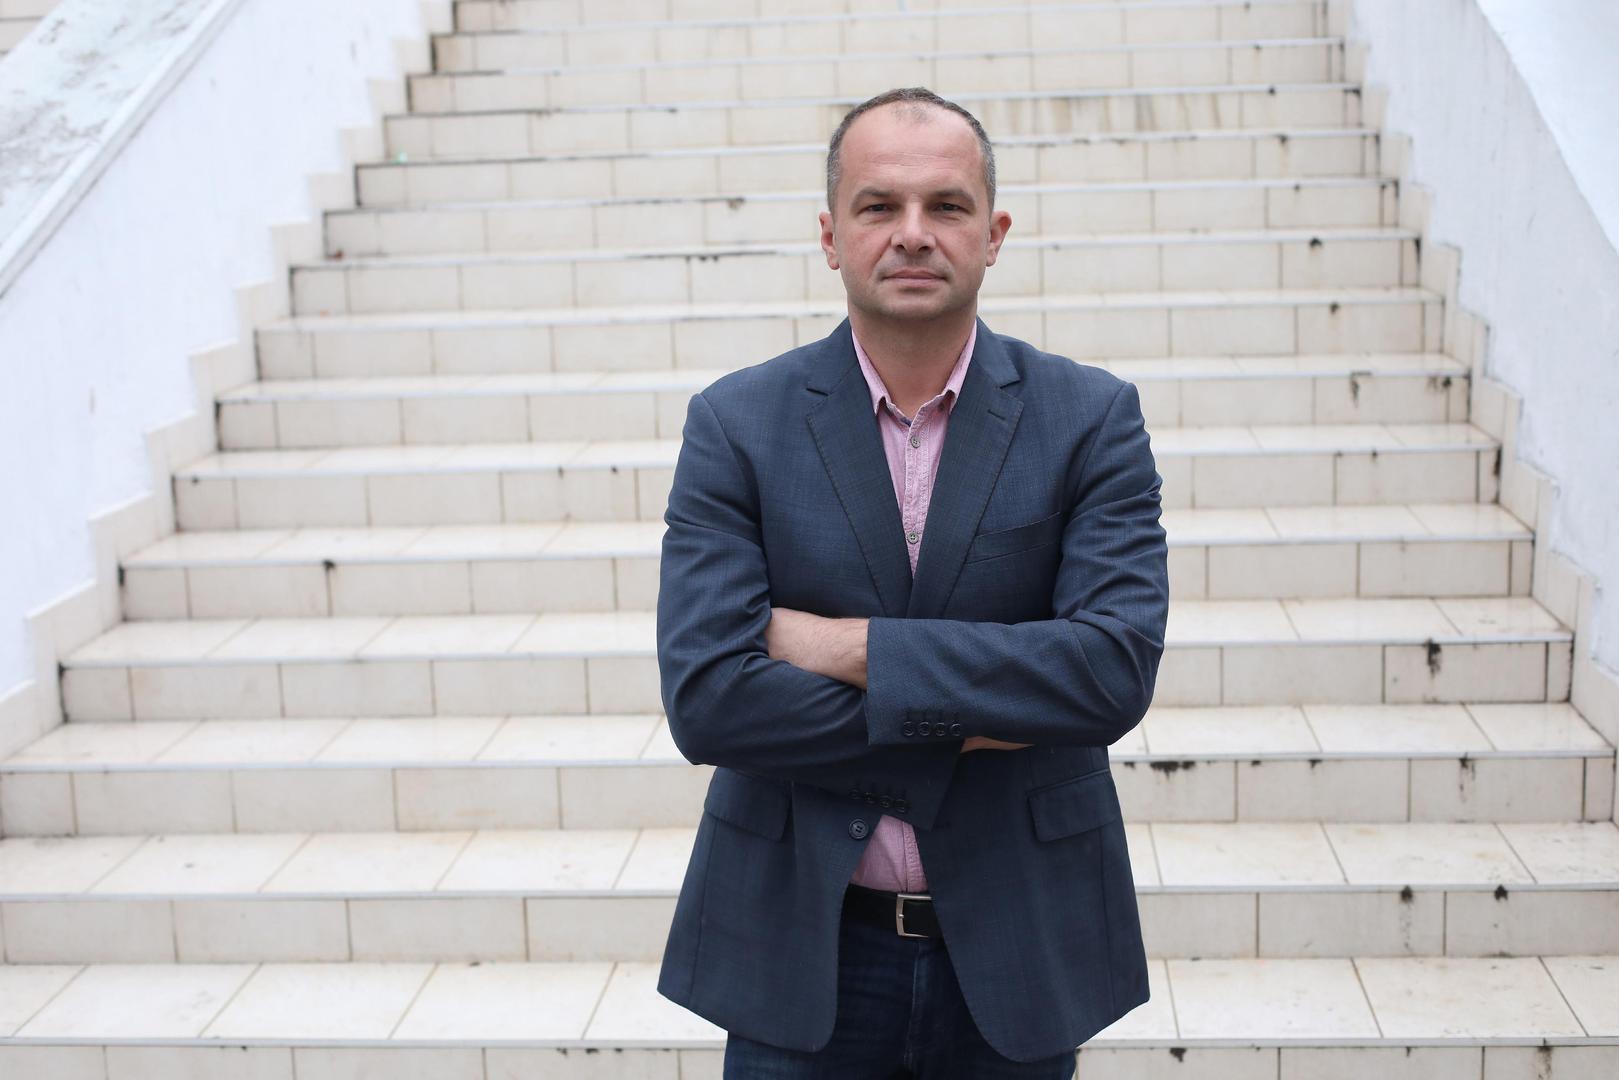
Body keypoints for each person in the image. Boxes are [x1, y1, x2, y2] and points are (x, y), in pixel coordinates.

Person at [654, 86, 1170, 1079]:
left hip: (1018, 940)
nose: (912, 233)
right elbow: (710, 699)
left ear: (993, 234)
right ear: (830, 236)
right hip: (800, 947)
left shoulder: (1090, 419)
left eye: (946, 205)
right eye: (878, 206)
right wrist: (987, 708)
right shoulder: (736, 424)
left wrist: (841, 648)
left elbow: (1106, 675)